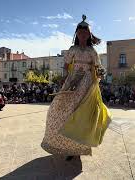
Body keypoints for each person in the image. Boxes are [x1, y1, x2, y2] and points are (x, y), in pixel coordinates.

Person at [41, 15, 111, 161]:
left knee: (81, 114)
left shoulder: (93, 51)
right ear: (77, 34)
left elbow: (98, 67)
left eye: (85, 33)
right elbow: (66, 66)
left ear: (89, 34)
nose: (83, 35)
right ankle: (67, 146)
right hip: (72, 81)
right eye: (80, 32)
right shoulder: (72, 49)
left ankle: (78, 147)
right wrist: (66, 79)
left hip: (86, 83)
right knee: (60, 109)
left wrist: (100, 73)